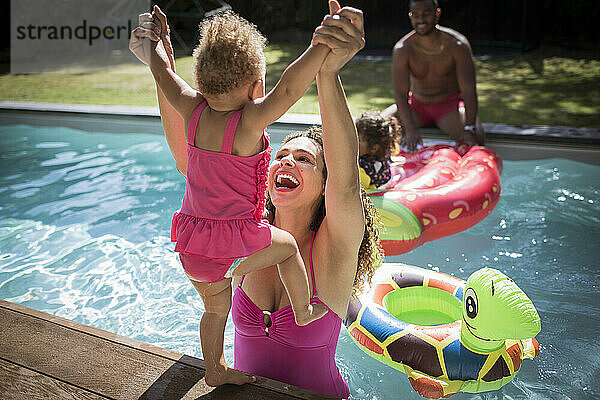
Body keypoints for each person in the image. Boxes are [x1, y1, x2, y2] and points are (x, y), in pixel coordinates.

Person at [132, 2, 382, 397]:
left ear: (324, 184)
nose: (287, 162)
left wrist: (328, 73)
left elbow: (347, 184)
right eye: (281, 155)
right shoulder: (241, 241)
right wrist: (160, 48)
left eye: (305, 159)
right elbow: (191, 157)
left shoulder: (334, 251)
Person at [382, 0, 485, 152]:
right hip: (416, 107)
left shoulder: (457, 45)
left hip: (449, 108)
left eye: (426, 14)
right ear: (410, 16)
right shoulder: (403, 49)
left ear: (437, 14)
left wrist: (469, 128)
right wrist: (410, 130)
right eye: (416, 15)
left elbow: (469, 90)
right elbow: (400, 94)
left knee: (477, 137)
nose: (421, 20)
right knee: (377, 127)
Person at [356, 111, 402, 189]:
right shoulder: (385, 152)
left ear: (374, 148)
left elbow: (360, 184)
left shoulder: (364, 166)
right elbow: (395, 149)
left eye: (358, 140)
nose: (352, 141)